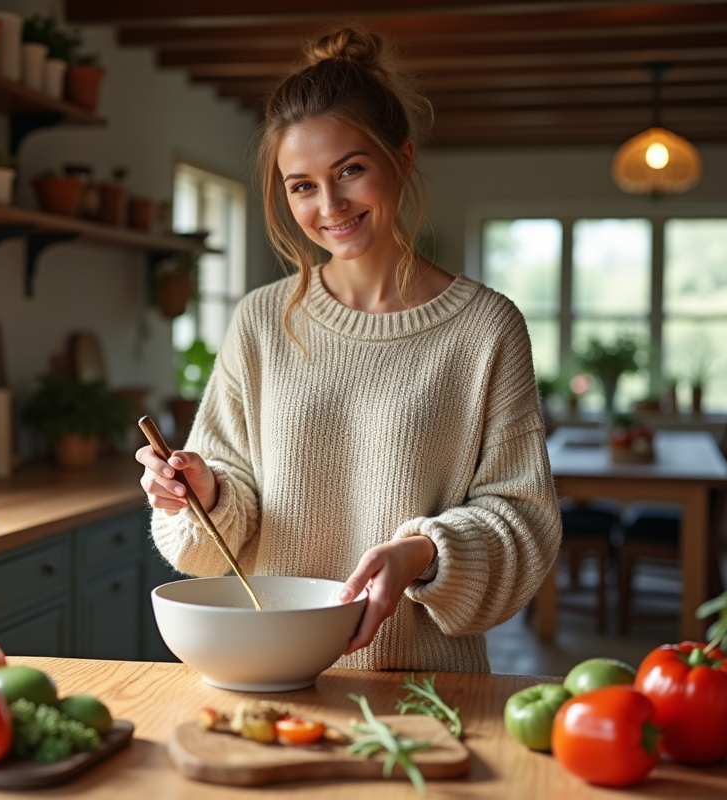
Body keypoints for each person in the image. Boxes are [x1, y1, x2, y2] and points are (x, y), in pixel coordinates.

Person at [136, 27, 561, 672]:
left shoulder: (486, 329)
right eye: (301, 184)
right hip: (266, 676)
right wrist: (204, 492)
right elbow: (215, 534)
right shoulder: (260, 321)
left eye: (350, 170)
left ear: (404, 158)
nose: (329, 205)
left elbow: (524, 524)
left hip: (423, 687)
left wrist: (423, 553)